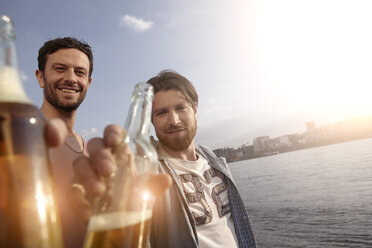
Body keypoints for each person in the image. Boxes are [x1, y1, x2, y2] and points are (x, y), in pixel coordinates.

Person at [73, 70, 257, 247]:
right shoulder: (145, 166)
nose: (174, 120)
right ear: (151, 120)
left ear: (195, 109)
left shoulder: (214, 161)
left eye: (180, 108)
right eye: (161, 113)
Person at [35, 37, 93, 248]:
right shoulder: (18, 139)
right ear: (40, 77)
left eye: (80, 72)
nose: (71, 78)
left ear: (88, 82)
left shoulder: (87, 150)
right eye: (60, 69)